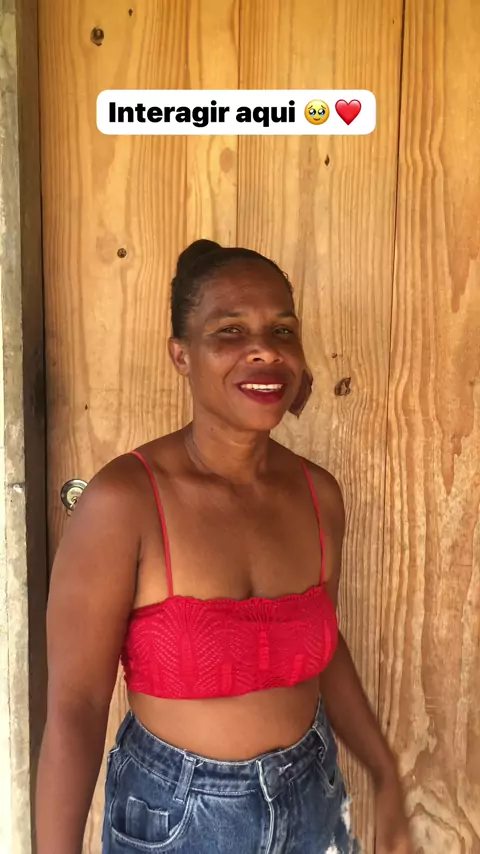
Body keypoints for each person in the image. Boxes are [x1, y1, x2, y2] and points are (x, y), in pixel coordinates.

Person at [36, 240, 412, 854]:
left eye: (282, 330)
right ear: (181, 355)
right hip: (178, 819)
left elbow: (320, 646)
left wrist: (384, 770)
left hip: (311, 798)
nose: (265, 349)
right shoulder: (126, 500)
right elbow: (75, 707)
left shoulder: (318, 495)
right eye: (230, 331)